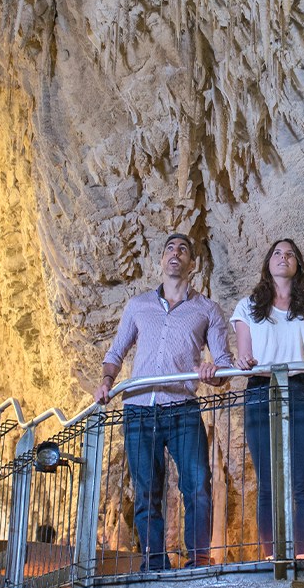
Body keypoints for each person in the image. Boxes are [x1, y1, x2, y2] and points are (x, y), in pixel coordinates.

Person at [98, 232, 233, 570]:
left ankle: (198, 560)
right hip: (139, 409)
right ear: (161, 260)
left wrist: (211, 372)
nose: (176, 253)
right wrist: (106, 381)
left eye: (183, 249)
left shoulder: (207, 310)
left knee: (197, 484)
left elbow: (223, 365)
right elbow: (116, 351)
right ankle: (154, 563)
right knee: (145, 491)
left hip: (183, 407)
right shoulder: (138, 305)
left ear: (193, 264)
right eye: (170, 249)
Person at [231, 238, 304, 559]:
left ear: (298, 265)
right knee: (267, 480)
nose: (284, 258)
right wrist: (242, 362)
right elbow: (245, 356)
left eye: (290, 254)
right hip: (261, 388)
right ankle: (271, 556)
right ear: (268, 262)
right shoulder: (248, 306)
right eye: (277, 253)